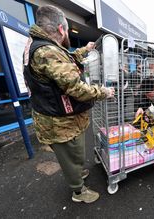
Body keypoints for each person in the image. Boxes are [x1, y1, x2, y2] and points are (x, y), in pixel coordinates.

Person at [23, 5, 115, 204]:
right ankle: (78, 192)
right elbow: (77, 89)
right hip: (60, 124)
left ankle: (77, 173)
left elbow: (66, 61)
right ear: (61, 29)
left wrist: (85, 50)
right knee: (71, 156)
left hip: (57, 118)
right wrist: (104, 92)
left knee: (74, 155)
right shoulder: (47, 51)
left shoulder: (40, 45)